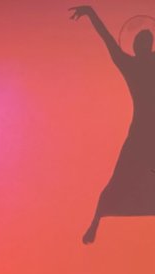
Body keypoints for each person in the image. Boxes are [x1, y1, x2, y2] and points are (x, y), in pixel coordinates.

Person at [70, 6, 155, 243]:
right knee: (122, 175)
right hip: (142, 132)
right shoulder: (133, 66)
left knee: (124, 175)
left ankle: (94, 224)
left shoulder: (133, 65)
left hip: (142, 132)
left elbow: (109, 41)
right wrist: (92, 14)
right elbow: (108, 40)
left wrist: (91, 13)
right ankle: (95, 223)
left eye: (145, 41)